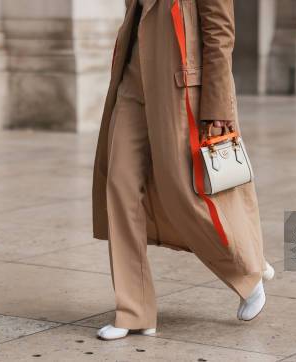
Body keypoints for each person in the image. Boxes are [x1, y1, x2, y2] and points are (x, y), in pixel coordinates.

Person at [91, 0, 273, 340]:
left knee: (187, 194)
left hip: (180, 89)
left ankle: (248, 270)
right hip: (132, 81)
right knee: (120, 186)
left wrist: (217, 105)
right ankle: (134, 310)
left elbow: (219, 31)